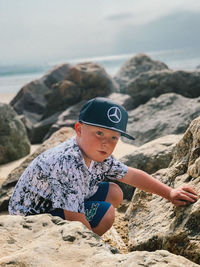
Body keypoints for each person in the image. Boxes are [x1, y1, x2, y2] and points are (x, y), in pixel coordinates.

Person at [9, 97, 198, 236]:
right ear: (79, 129)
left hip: (60, 201)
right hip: (31, 220)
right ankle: (82, 246)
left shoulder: (96, 154)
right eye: (99, 133)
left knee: (115, 192)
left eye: (114, 137)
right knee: (106, 213)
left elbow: (132, 176)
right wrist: (93, 249)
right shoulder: (67, 162)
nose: (106, 143)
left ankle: (94, 228)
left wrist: (170, 193)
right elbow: (73, 216)